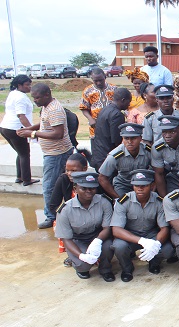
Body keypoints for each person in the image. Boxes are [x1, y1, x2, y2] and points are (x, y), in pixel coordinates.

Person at [17, 83, 73, 229]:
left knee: (49, 187)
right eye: (33, 98)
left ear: (47, 95)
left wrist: (32, 134)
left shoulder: (54, 110)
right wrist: (30, 128)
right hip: (53, 153)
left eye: (37, 98)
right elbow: (44, 124)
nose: (35, 100)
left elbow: (58, 134)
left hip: (57, 154)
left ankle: (50, 216)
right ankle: (60, 212)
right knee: (59, 185)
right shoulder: (46, 107)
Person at [111, 169, 174, 282]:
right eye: (136, 185)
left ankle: (154, 263)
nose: (140, 188)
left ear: (152, 185)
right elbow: (116, 230)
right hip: (130, 235)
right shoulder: (124, 201)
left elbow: (164, 228)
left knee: (167, 250)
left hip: (151, 234)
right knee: (119, 246)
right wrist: (142, 241)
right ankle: (127, 268)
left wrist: (156, 244)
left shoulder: (159, 201)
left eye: (144, 185)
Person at [54, 172, 114, 281]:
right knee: (84, 265)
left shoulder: (104, 202)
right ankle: (78, 264)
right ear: (75, 189)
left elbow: (107, 228)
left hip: (99, 235)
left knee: (109, 246)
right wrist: (81, 255)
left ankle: (105, 269)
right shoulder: (65, 209)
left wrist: (98, 241)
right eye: (84, 188)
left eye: (92, 188)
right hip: (78, 239)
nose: (89, 191)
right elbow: (66, 238)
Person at [0, 74, 38, 186]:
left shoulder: (13, 94)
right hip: (15, 128)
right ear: (19, 85)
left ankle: (19, 177)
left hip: (5, 127)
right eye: (27, 85)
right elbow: (21, 116)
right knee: (25, 153)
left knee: (21, 152)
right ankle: (27, 179)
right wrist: (31, 130)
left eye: (30, 84)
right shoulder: (20, 97)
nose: (29, 87)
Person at [98, 123, 152, 199]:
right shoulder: (115, 155)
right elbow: (102, 177)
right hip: (123, 185)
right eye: (126, 138)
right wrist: (116, 197)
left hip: (143, 184)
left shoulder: (148, 151)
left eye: (133, 138)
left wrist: (152, 189)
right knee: (123, 204)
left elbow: (158, 171)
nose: (129, 142)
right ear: (122, 139)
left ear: (140, 138)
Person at [90, 87, 132, 170]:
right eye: (129, 102)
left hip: (98, 154)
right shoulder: (117, 115)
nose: (129, 105)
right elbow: (116, 140)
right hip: (107, 156)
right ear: (123, 100)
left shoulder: (104, 109)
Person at [79, 68, 116, 139]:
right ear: (92, 79)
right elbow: (84, 108)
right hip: (96, 127)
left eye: (101, 80)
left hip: (112, 126)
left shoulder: (113, 89)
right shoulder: (87, 91)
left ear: (105, 77)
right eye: (95, 81)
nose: (98, 83)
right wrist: (90, 119)